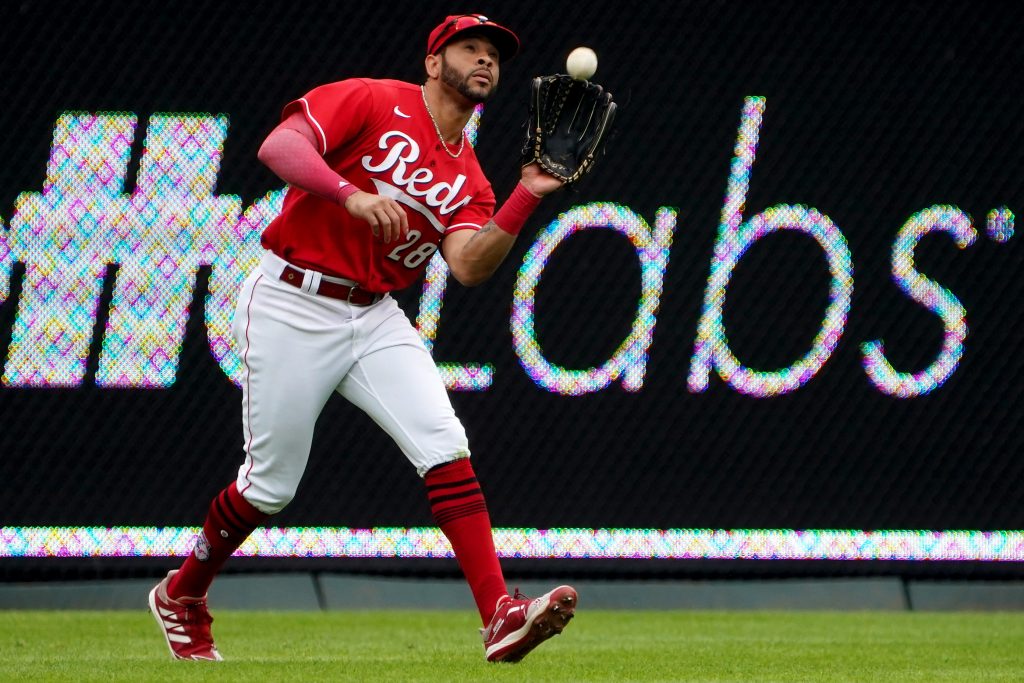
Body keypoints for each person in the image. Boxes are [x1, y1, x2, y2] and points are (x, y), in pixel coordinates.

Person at [148, 14, 579, 664]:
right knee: (270, 486)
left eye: (494, 53)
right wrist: (348, 194)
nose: (485, 60)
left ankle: (499, 614)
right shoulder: (374, 99)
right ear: (434, 61)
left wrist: (527, 194)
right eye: (470, 47)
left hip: (375, 313)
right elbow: (279, 147)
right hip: (292, 299)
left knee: (444, 441)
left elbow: (467, 264)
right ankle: (182, 593)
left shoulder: (471, 177)